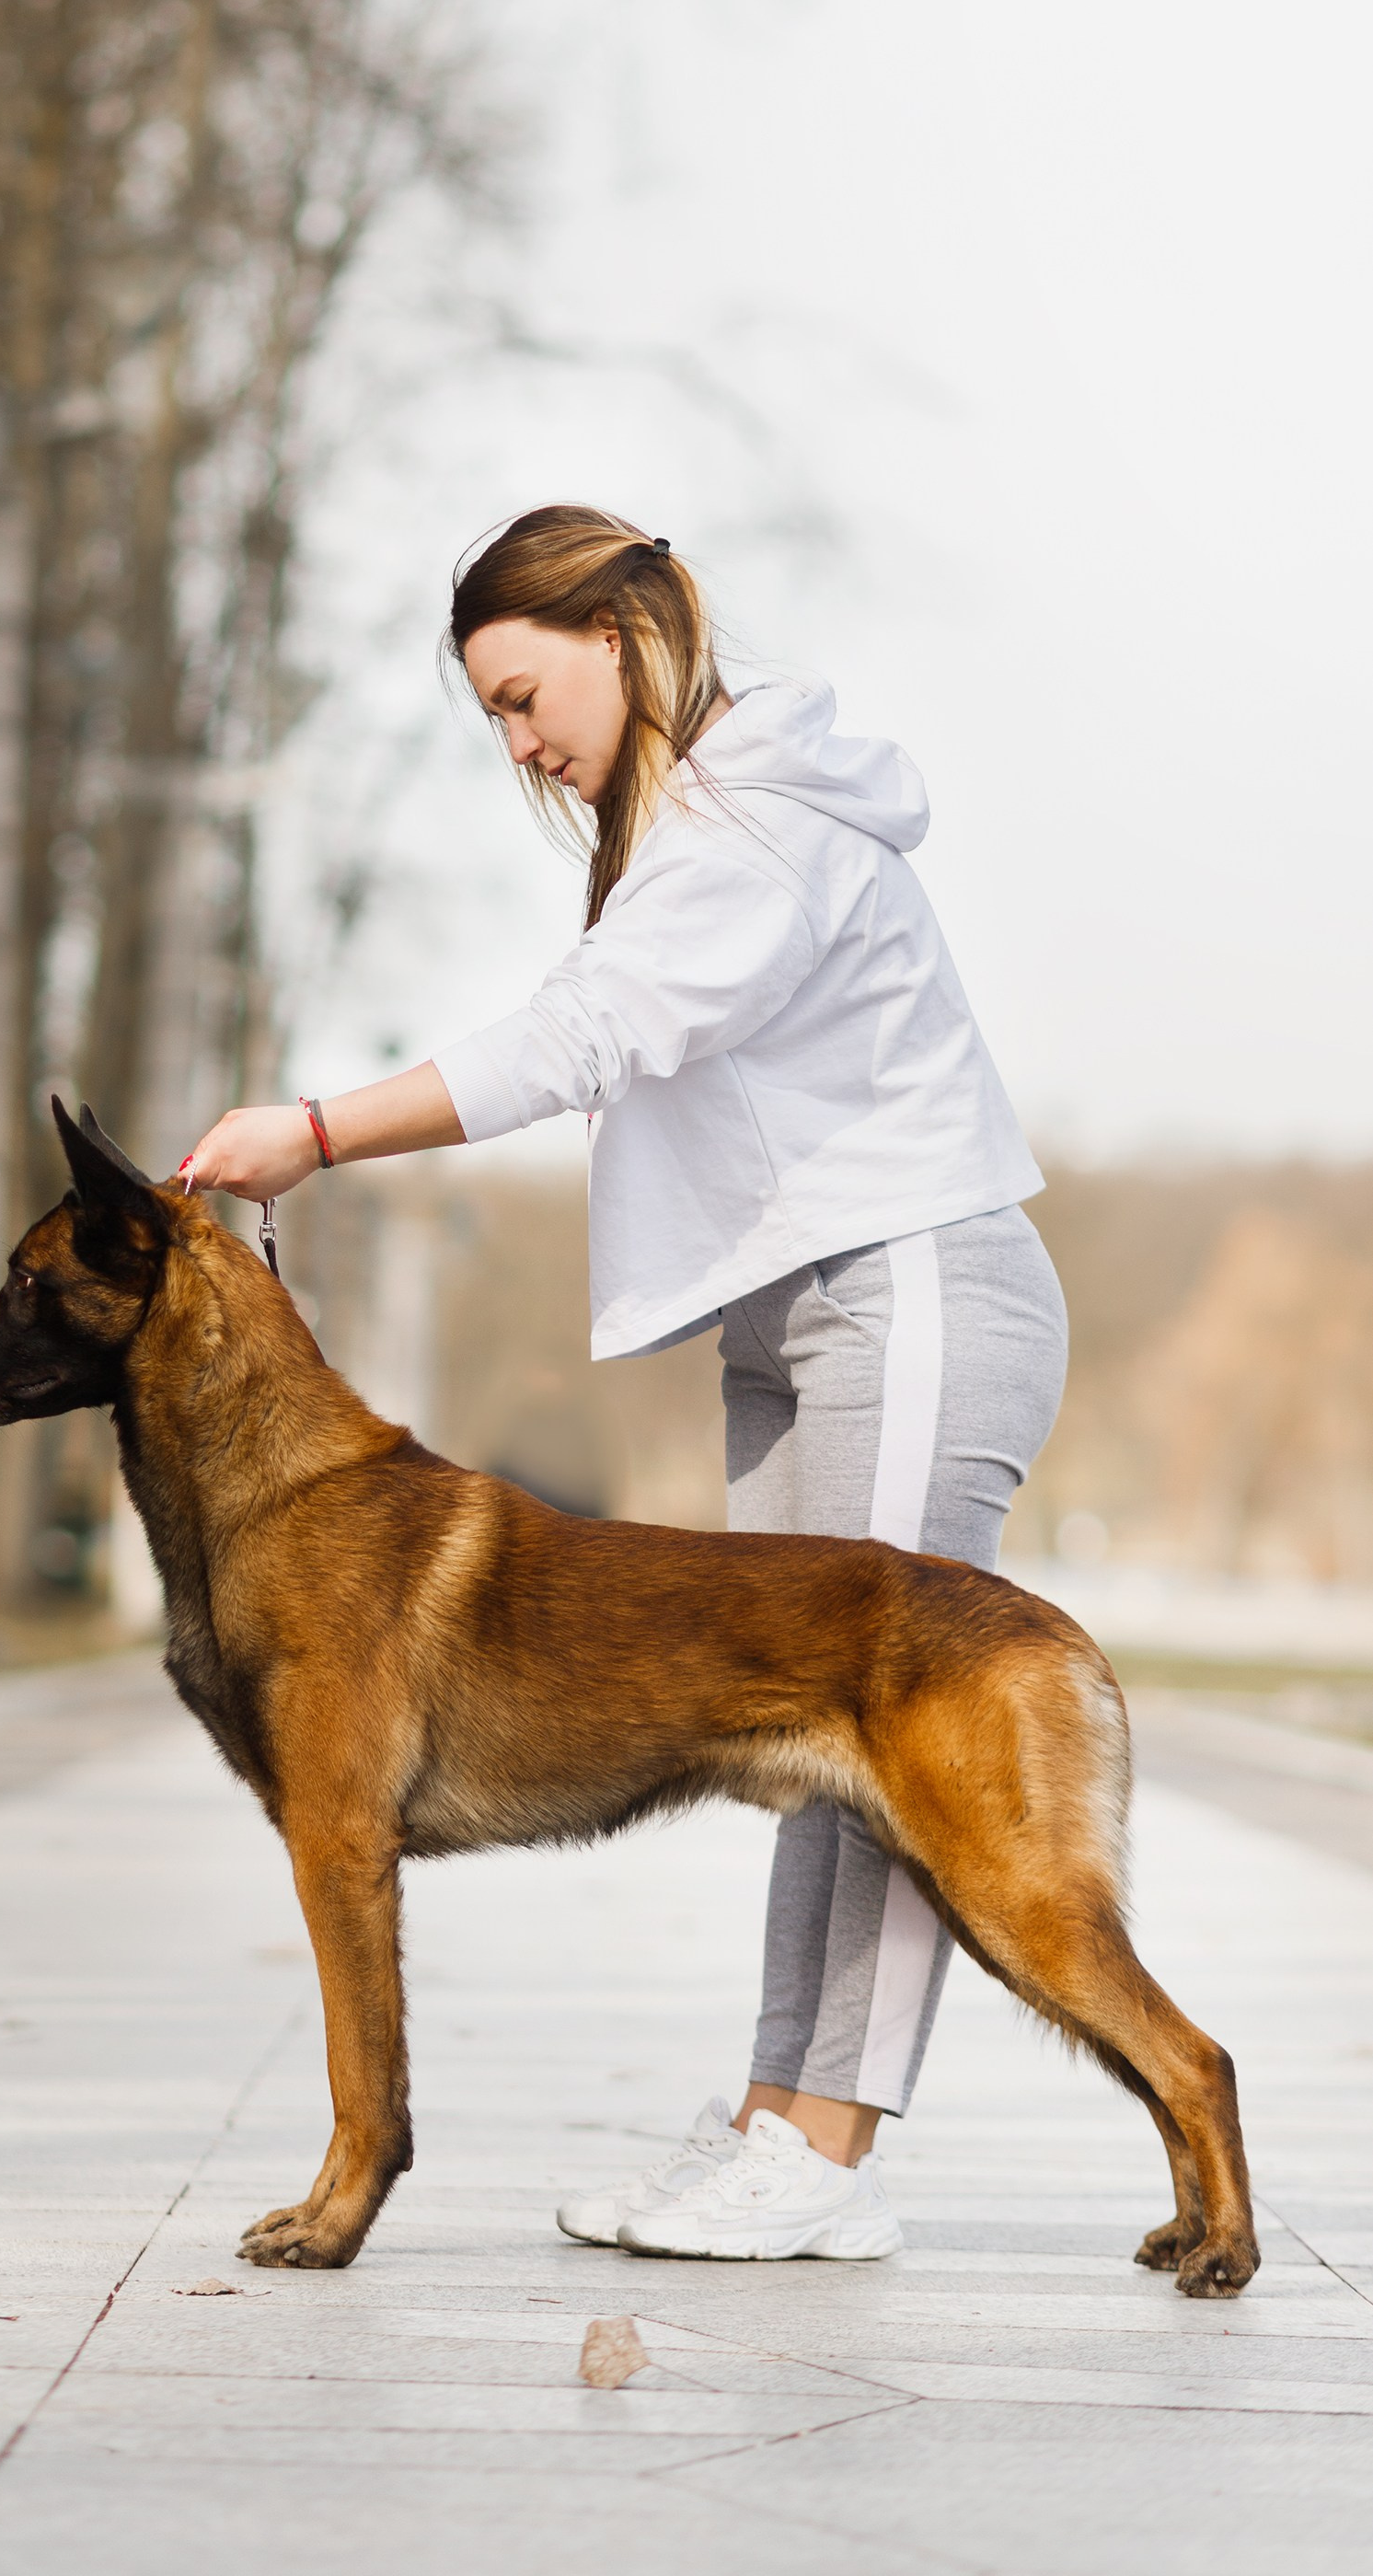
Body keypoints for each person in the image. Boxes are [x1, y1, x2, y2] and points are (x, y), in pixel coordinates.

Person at [183, 502, 1067, 2263]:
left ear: (618, 628)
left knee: (889, 1731)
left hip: (907, 1292)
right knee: (811, 1741)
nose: (522, 745)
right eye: (495, 718)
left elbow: (580, 1035)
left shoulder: (752, 822)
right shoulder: (697, 817)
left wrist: (316, 1131)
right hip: (805, 1314)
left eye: (525, 696)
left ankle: (826, 2155)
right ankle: (780, 2126)